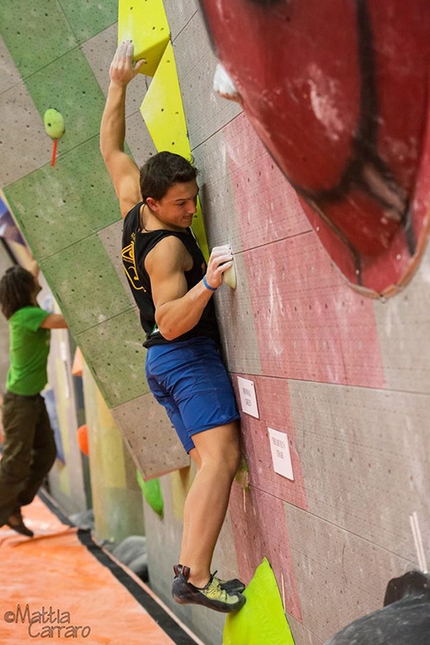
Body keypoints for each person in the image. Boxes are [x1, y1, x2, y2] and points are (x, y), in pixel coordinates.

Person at [100, 40, 246, 613]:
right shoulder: (164, 252)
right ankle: (195, 576)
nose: (192, 211)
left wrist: (118, 85)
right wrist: (207, 281)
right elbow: (169, 318)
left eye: (193, 200)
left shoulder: (133, 201)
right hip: (180, 356)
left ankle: (192, 570)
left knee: (213, 460)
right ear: (157, 202)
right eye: (183, 205)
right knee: (221, 456)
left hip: (163, 366)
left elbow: (111, 146)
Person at [0, 263, 67, 537]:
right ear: (25, 289)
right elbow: (63, 321)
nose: (34, 280)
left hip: (31, 399)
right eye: (30, 280)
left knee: (47, 453)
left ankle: (12, 508)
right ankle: (5, 509)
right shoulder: (27, 315)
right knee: (15, 462)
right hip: (20, 402)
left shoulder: (23, 312)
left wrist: (42, 257)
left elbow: (31, 272)